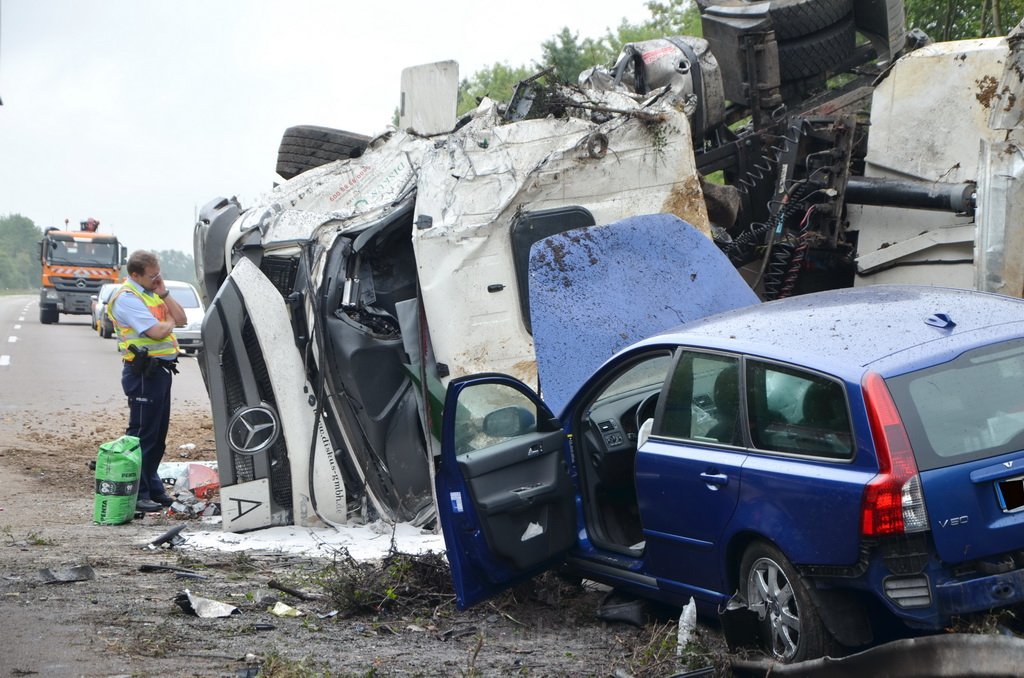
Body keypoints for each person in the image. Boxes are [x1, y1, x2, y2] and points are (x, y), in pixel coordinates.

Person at [107, 250, 187, 513]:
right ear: (135, 275)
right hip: (143, 373)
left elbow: (181, 319)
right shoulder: (127, 298)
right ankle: (137, 493)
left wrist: (165, 295)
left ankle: (153, 487)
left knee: (158, 435)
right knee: (142, 435)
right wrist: (167, 322)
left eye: (158, 274)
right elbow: (154, 331)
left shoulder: (152, 294)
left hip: (161, 371)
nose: (156, 279)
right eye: (152, 276)